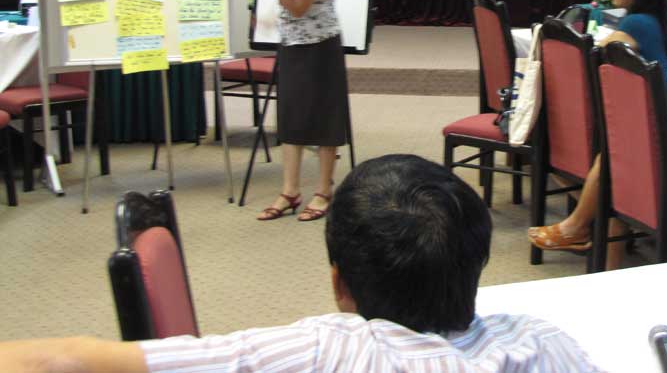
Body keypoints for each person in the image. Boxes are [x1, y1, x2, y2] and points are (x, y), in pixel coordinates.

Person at [0, 155, 602, 373]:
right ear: (476, 264)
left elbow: (59, 362)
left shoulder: (322, 351)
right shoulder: (543, 343)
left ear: (340, 284)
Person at [529, 0, 667, 264]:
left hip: (641, 126)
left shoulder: (636, 23)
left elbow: (596, 55)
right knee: (605, 155)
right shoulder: (653, 21)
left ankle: (579, 225)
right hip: (645, 121)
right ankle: (591, 225)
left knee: (590, 152)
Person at [243, 0, 349, 222]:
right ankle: (289, 191)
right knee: (291, 117)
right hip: (291, 45)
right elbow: (287, 7)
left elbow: (298, 7)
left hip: (319, 46)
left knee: (323, 116)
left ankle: (323, 191)